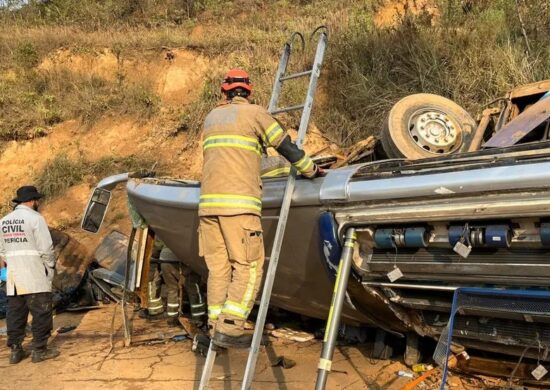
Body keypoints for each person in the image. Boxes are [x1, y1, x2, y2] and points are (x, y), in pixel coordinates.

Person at [198, 69, 322, 348]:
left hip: (207, 208)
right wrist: (310, 169)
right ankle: (230, 328)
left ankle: (214, 324)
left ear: (224, 91)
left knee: (218, 269)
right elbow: (285, 147)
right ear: (249, 91)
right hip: (239, 206)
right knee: (249, 266)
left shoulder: (211, 118)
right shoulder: (255, 114)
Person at [0, 186, 59, 364]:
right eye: (37, 201)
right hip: (34, 272)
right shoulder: (35, 218)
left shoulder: (4, 221)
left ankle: (16, 351)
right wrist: (49, 267)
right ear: (33, 201)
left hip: (13, 276)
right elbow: (46, 248)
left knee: (16, 313)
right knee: (41, 311)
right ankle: (39, 350)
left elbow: (2, 251)